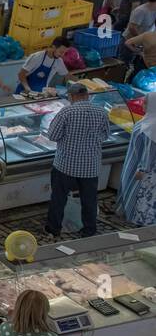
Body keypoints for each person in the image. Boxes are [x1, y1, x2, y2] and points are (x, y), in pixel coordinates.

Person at [45, 81, 110, 239]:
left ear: (71, 96)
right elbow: (105, 135)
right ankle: (89, 229)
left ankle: (53, 229)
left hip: (65, 164)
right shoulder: (101, 111)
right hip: (90, 165)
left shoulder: (66, 111)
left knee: (59, 198)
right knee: (89, 199)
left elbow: (52, 136)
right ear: (87, 95)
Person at [119, 93, 156, 224]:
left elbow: (150, 150)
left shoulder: (152, 126)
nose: (142, 105)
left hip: (144, 168)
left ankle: (139, 220)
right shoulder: (148, 120)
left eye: (145, 103)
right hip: (135, 160)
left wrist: (142, 169)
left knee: (139, 195)